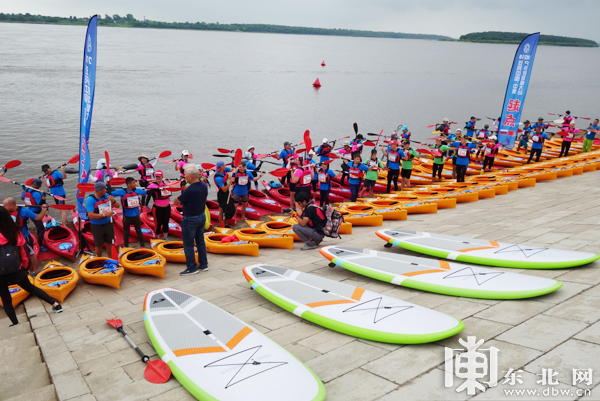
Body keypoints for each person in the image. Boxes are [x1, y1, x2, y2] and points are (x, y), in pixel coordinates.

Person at [0, 206, 62, 327]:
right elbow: (23, 253)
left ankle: (15, 322)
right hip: (16, 269)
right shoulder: (15, 232)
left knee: (5, 297)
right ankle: (55, 305)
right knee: (31, 288)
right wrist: (25, 267)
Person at [174, 164, 208, 275]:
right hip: (201, 215)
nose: (184, 176)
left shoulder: (190, 190)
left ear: (189, 176)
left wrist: (183, 190)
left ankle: (192, 268)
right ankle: (203, 264)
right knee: (200, 242)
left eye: (185, 174)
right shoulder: (204, 186)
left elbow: (176, 201)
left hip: (190, 218)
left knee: (188, 244)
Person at [2, 198, 47, 274]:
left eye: (5, 206)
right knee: (17, 254)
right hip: (12, 237)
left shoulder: (24, 211)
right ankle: (22, 270)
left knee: (31, 253)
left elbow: (38, 217)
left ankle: (35, 270)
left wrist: (43, 210)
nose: (4, 207)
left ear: (11, 205)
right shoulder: (5, 212)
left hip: (24, 236)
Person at [111, 177, 147, 248]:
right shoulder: (122, 191)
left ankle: (142, 245)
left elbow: (145, 192)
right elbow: (110, 194)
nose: (135, 184)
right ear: (129, 184)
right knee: (126, 232)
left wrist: (156, 189)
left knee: (138, 230)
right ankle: (126, 246)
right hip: (127, 216)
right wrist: (108, 190)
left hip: (136, 215)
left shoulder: (136, 190)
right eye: (133, 183)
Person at [85, 182, 118, 257]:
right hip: (96, 226)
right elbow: (90, 215)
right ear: (99, 191)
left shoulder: (106, 196)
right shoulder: (90, 200)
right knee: (98, 245)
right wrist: (105, 214)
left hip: (107, 224)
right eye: (104, 189)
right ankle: (99, 258)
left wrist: (112, 201)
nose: (106, 190)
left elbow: (117, 206)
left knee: (109, 242)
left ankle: (110, 257)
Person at [21, 178, 46, 251]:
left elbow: (22, 198)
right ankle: (40, 245)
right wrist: (43, 196)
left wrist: (23, 189)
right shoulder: (36, 193)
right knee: (41, 229)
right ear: (40, 185)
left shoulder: (26, 190)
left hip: (29, 211)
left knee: (39, 228)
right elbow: (41, 204)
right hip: (36, 213)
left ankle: (39, 241)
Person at [146, 171, 172, 239]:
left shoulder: (165, 184)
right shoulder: (152, 185)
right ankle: (157, 238)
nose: (158, 178)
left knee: (166, 223)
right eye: (156, 177)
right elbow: (145, 192)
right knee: (158, 224)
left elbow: (172, 187)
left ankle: (165, 237)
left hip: (167, 207)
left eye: (159, 177)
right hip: (157, 208)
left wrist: (170, 182)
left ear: (162, 177)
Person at [212, 161, 235, 227]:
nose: (225, 166)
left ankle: (226, 223)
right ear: (221, 167)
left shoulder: (225, 169)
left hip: (227, 191)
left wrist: (231, 173)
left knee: (230, 208)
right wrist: (230, 181)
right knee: (221, 210)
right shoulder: (218, 178)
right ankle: (221, 225)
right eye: (224, 165)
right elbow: (224, 189)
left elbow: (233, 169)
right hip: (222, 193)